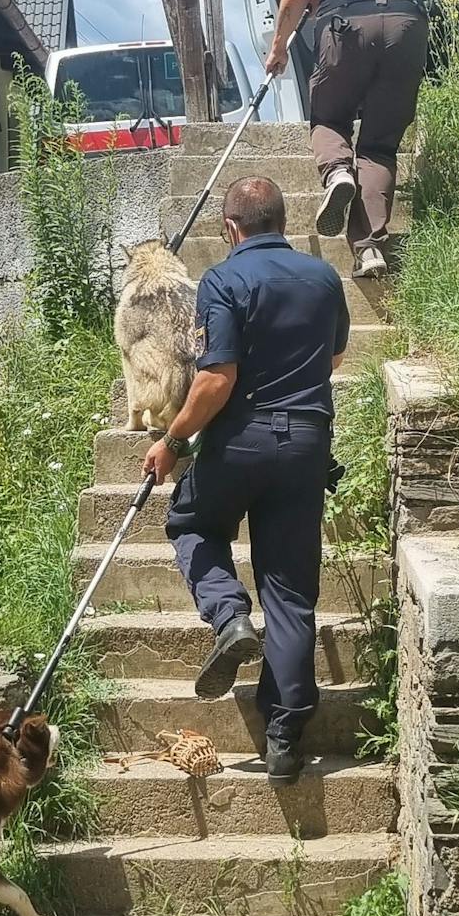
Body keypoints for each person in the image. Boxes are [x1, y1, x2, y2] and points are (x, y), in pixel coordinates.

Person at [142, 175, 348, 782]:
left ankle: (229, 616)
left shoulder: (224, 280)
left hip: (241, 440)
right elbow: (334, 356)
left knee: (191, 522)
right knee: (289, 590)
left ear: (230, 229)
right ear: (283, 221)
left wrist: (173, 442)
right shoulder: (323, 277)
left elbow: (215, 379)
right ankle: (284, 740)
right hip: (306, 445)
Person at [263, 0, 429, 279]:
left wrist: (278, 47)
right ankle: (370, 247)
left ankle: (337, 172)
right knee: (379, 143)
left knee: (329, 117)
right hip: (405, 22)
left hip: (346, 26)